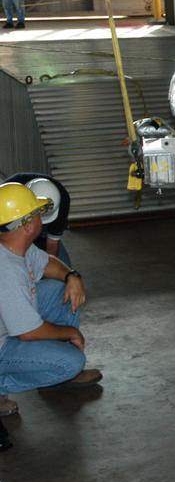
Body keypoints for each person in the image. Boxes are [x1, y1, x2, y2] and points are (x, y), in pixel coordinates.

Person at [0, 182, 103, 409]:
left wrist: (71, 276)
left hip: (9, 329)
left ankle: (51, 373)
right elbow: (29, 332)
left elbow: (49, 264)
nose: (41, 217)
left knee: (60, 291)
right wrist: (71, 333)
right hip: (3, 346)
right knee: (71, 362)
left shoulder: (17, 247)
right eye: (37, 213)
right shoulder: (6, 269)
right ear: (27, 225)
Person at [3, 174, 72, 263]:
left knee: (64, 268)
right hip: (14, 217)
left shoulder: (63, 202)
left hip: (44, 227)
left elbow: (52, 243)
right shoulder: (7, 197)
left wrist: (48, 266)